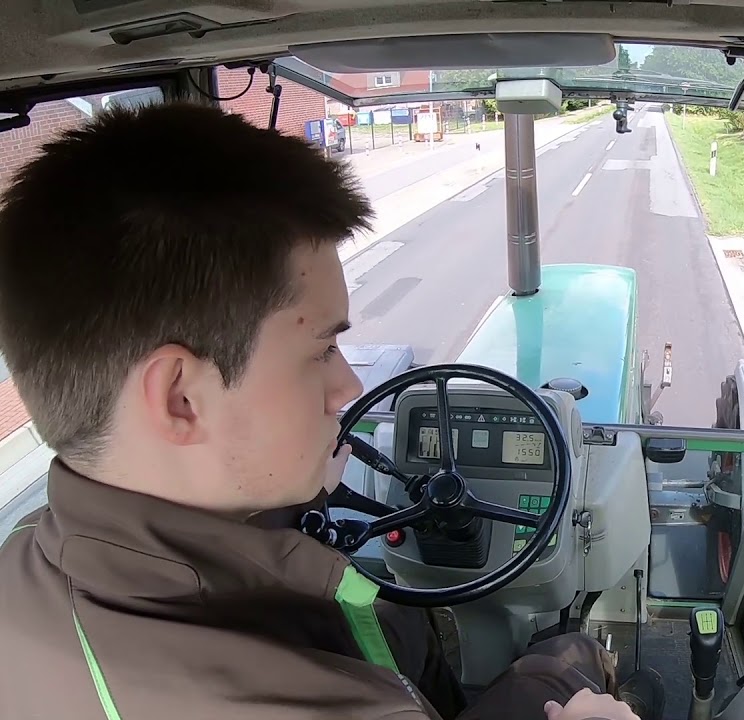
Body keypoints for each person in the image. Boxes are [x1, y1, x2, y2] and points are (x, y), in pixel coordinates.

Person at [0, 101, 638, 720]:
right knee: (566, 658)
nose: (348, 385)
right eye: (323, 349)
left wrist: (298, 499)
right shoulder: (363, 709)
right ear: (180, 397)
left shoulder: (26, 552)